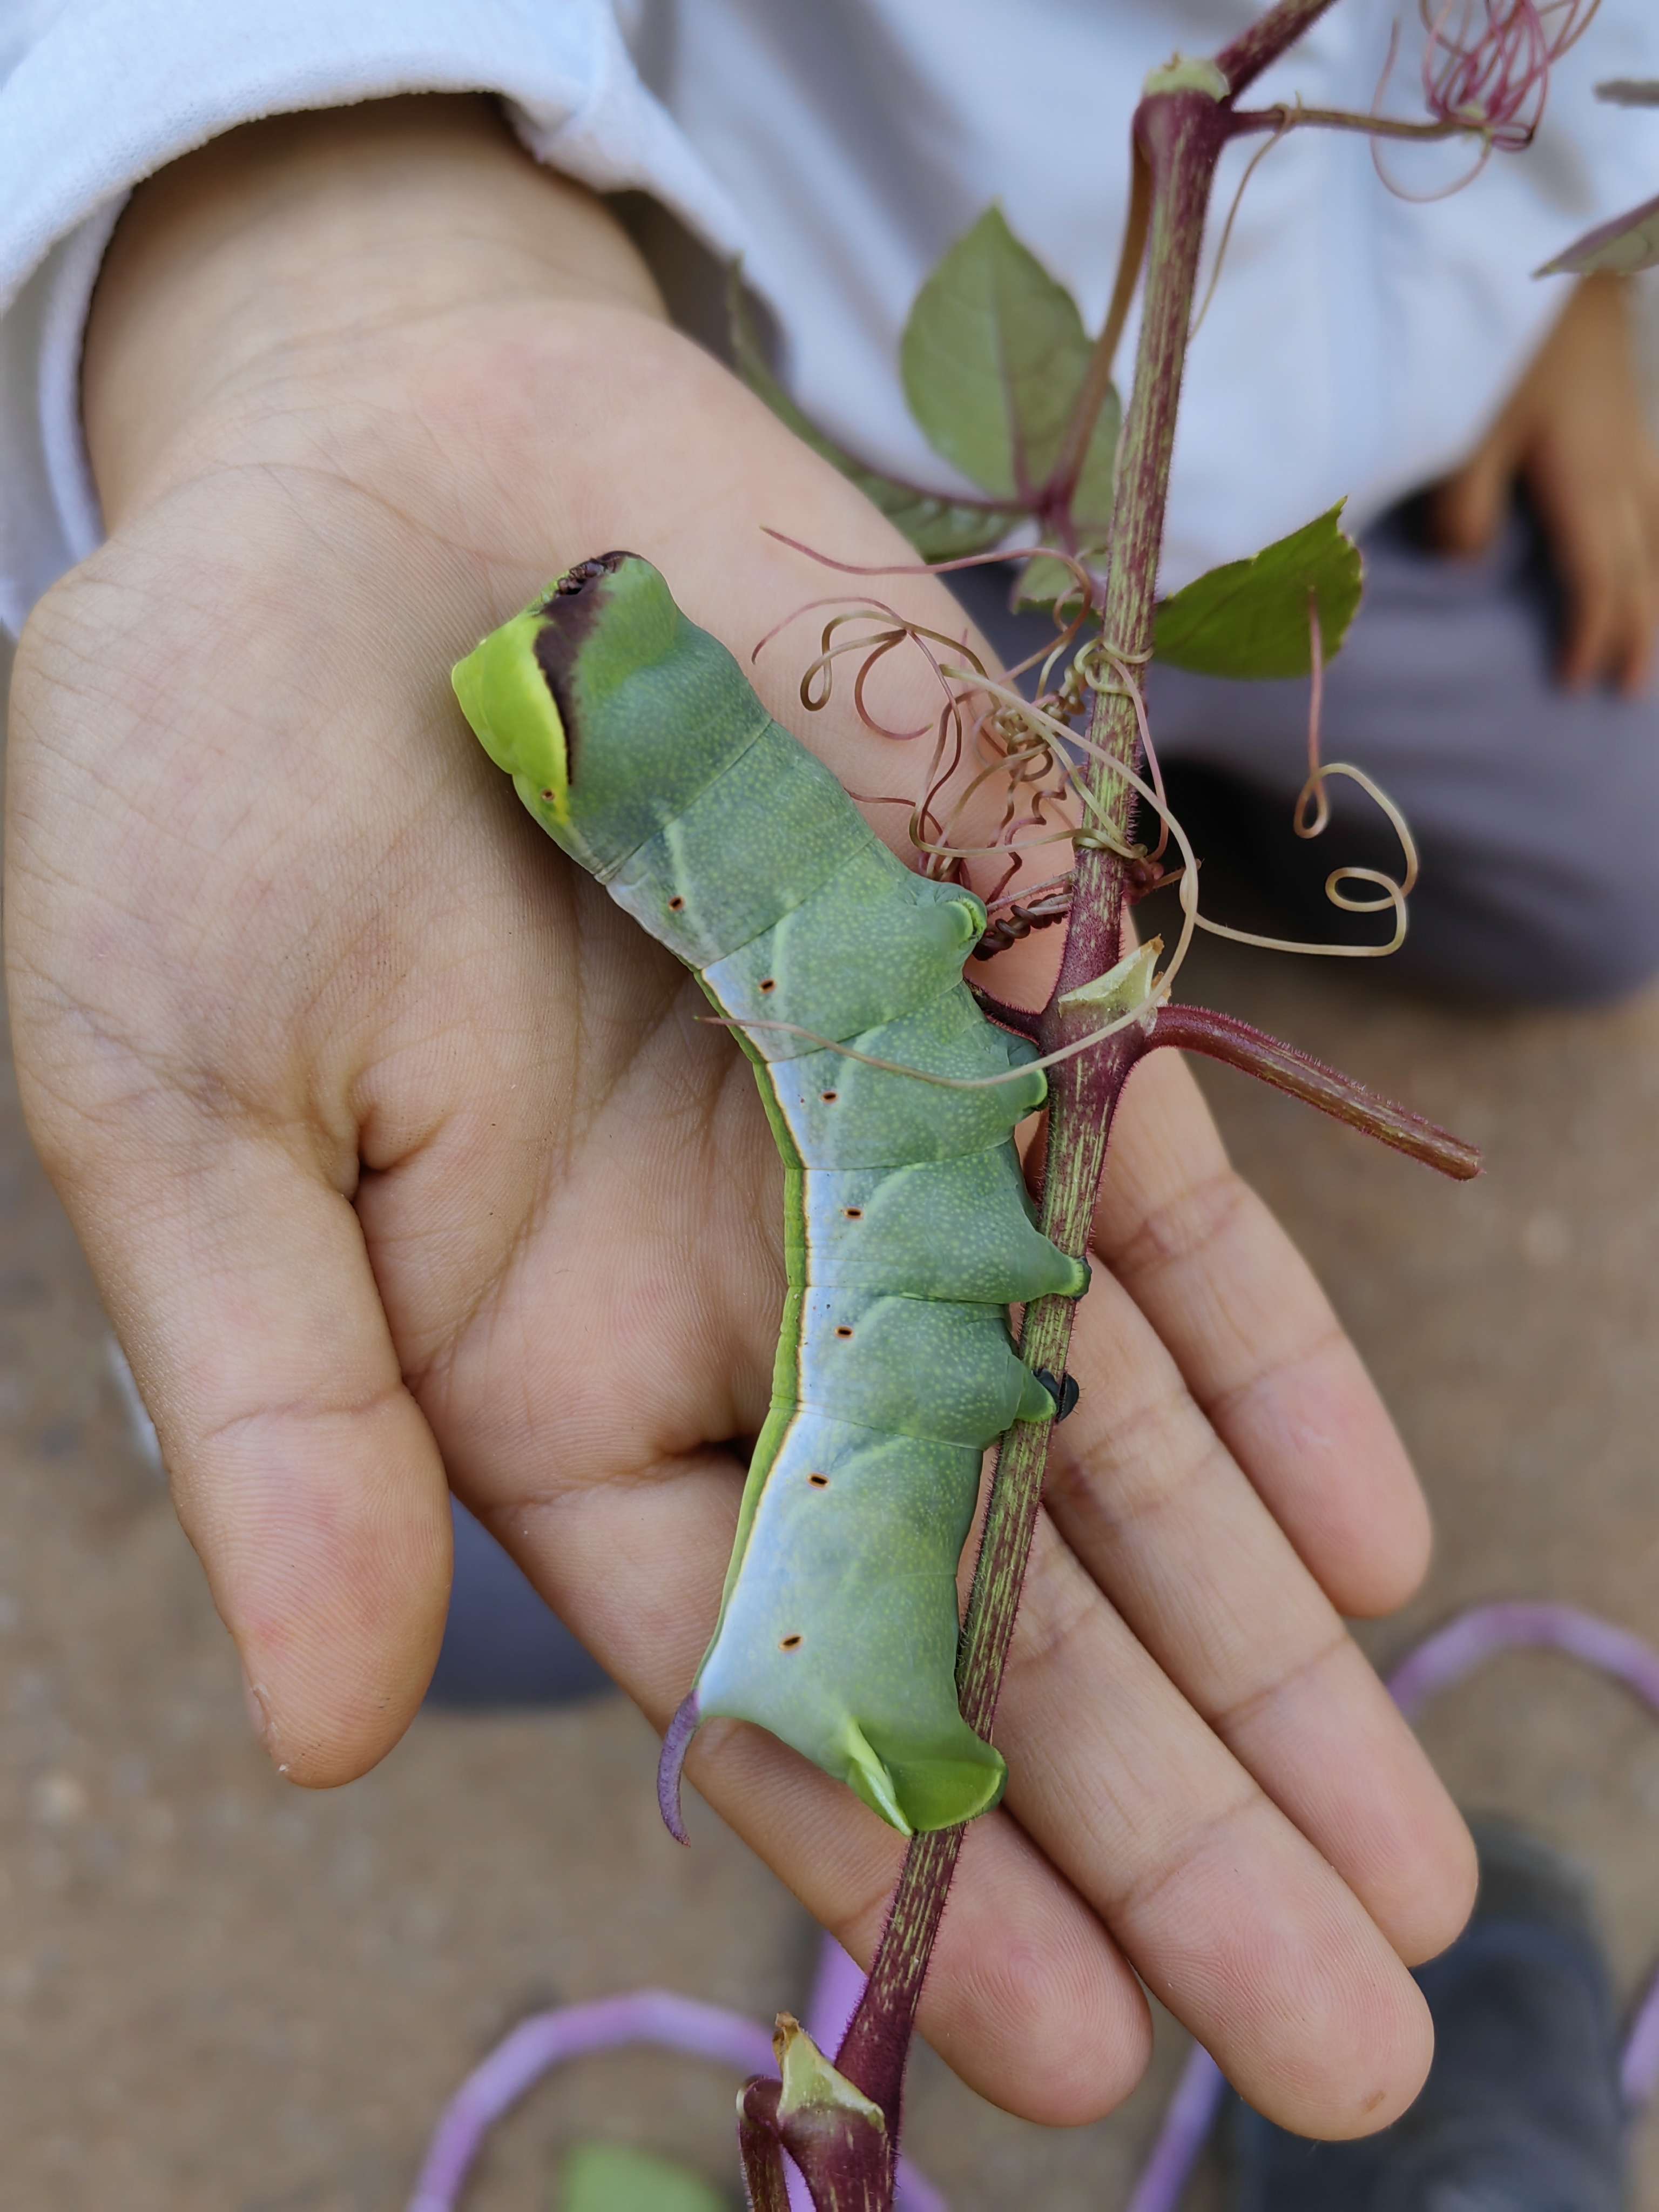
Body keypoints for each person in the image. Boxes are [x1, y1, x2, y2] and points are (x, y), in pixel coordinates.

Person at [0, 0, 1653, 2183]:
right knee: (476, 1487)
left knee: (1607, 871)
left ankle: (1185, 781)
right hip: (787, 382)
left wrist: (1575, 284)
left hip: (1361, 443)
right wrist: (317, 236)